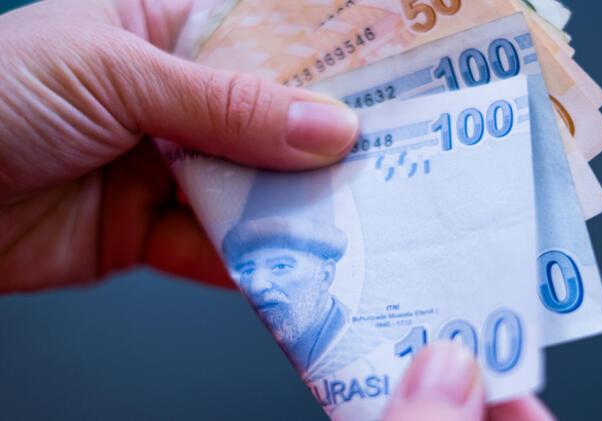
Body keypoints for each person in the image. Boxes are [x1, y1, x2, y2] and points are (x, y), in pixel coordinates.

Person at [0, 1, 553, 419]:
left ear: (328, 269)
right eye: (253, 266)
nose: (260, 283)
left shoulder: (363, 347)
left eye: (282, 265)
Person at [222, 171, 350, 373]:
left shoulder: (361, 348)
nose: (256, 285)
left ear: (325, 275)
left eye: (280, 266)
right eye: (247, 270)